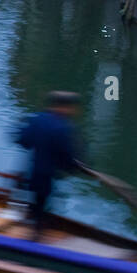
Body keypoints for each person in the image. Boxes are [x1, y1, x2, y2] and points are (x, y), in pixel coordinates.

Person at [13, 91, 84, 234]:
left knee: (34, 202)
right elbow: (67, 156)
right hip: (46, 175)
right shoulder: (63, 128)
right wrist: (75, 166)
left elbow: (23, 141)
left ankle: (30, 222)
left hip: (31, 171)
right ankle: (33, 239)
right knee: (41, 205)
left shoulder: (37, 119)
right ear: (64, 107)